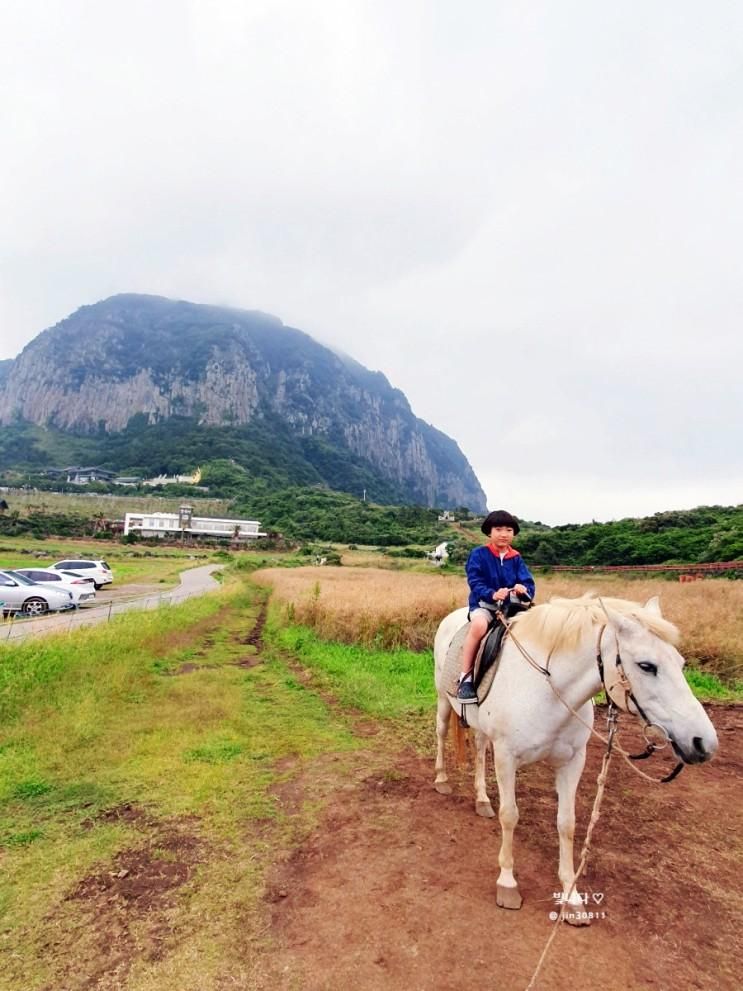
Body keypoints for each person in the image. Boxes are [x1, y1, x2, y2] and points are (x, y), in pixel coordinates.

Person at [457, 509, 535, 703]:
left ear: (514, 534)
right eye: (498, 529)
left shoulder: (516, 558)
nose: (504, 534)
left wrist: (522, 589)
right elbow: (475, 581)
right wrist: (492, 593)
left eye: (509, 529)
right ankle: (465, 678)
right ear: (489, 532)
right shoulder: (479, 554)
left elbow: (529, 585)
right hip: (485, 606)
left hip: (511, 608)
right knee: (479, 626)